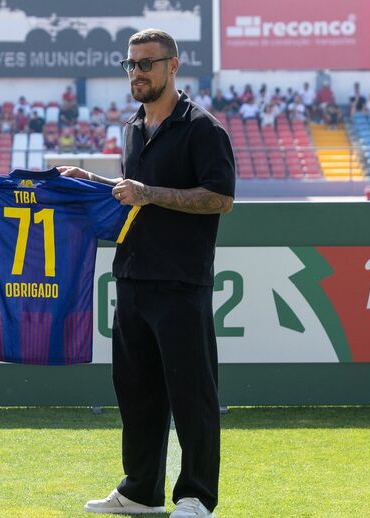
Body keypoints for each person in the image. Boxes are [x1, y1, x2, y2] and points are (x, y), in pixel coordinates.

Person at [61, 28, 234, 518]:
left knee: (192, 395)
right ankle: (141, 492)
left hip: (182, 282)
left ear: (173, 66)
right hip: (132, 277)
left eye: (146, 63)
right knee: (137, 395)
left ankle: (198, 496)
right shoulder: (133, 126)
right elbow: (130, 192)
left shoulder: (204, 128)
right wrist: (92, 180)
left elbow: (220, 199)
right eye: (130, 64)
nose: (136, 72)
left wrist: (151, 193)